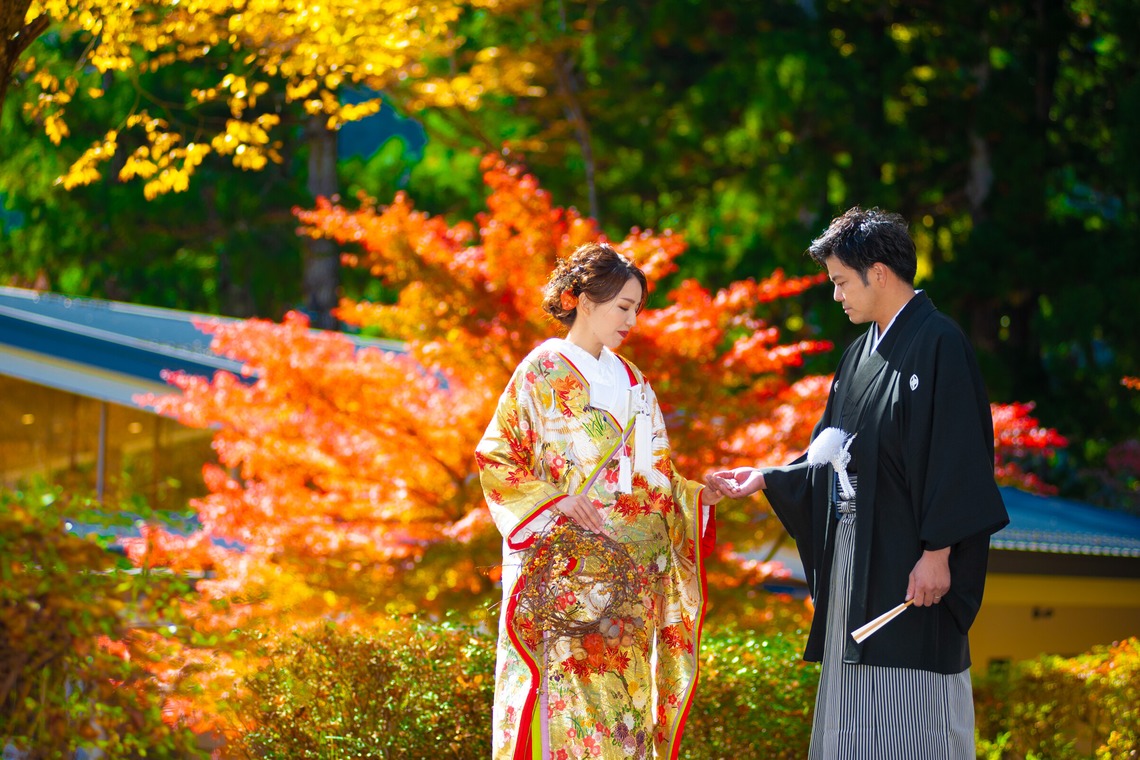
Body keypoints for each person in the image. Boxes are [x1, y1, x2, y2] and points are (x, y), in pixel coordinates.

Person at [708, 207, 1009, 759]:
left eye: (842, 281)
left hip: (911, 559)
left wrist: (938, 552)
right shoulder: (857, 355)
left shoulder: (939, 342)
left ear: (879, 273)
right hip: (854, 553)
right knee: (852, 706)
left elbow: (958, 454)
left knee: (911, 711)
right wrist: (768, 477)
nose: (836, 295)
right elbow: (829, 453)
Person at [476, 242, 722, 760]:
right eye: (623, 307)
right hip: (567, 577)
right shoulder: (542, 370)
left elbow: (659, 477)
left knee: (626, 710)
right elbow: (497, 455)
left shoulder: (635, 382)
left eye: (637, 309)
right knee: (570, 706)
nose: (632, 321)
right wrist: (554, 501)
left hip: (631, 582)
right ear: (585, 301)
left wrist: (699, 495)